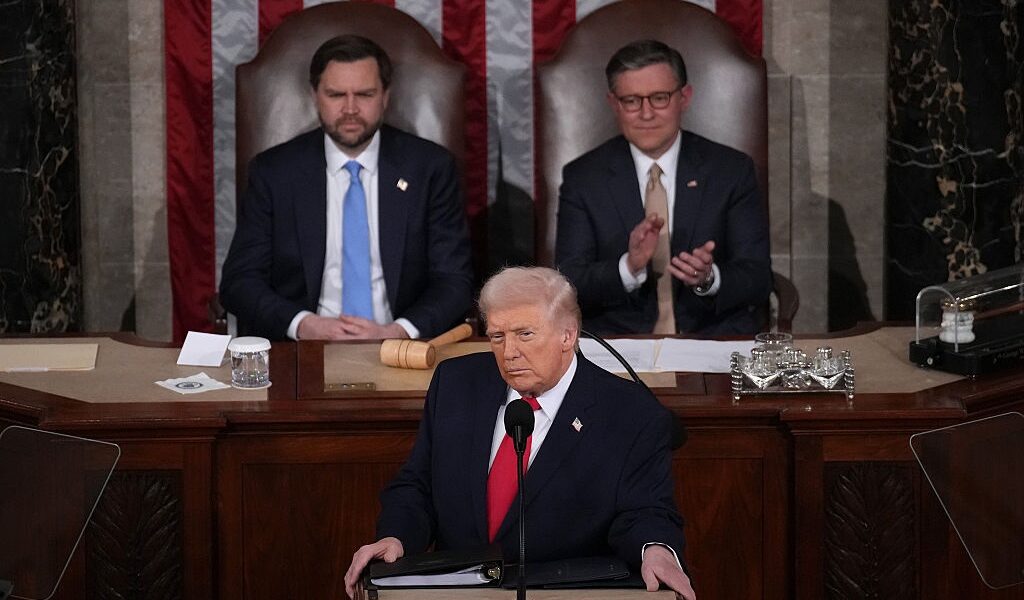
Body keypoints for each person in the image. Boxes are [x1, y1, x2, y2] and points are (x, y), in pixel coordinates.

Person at [343, 267, 696, 599]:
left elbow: (646, 511)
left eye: (525, 334)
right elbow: (417, 485)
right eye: (497, 336)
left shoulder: (630, 413)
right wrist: (396, 537)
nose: (509, 353)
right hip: (460, 591)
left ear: (568, 335)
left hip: (563, 593)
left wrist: (656, 550)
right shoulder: (455, 385)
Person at [220, 34, 473, 341]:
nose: (350, 108)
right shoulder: (274, 172)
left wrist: (399, 331)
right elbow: (240, 281)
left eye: (364, 94)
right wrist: (302, 325)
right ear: (315, 95)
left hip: (401, 347)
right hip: (305, 348)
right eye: (336, 94)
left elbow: (454, 280)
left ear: (385, 96)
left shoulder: (429, 168)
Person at [556, 39, 772, 336]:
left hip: (710, 336)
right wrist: (628, 267)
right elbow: (569, 283)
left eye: (659, 98)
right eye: (631, 101)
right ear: (614, 104)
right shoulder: (583, 177)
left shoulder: (730, 170)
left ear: (684, 97)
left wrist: (708, 278)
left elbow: (757, 278)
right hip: (620, 341)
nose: (646, 114)